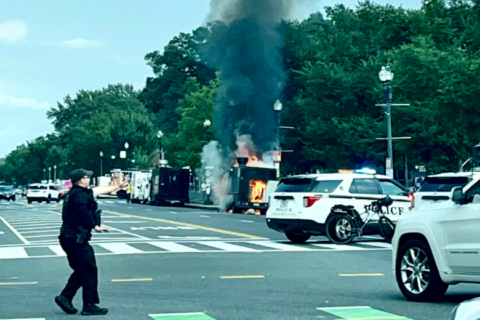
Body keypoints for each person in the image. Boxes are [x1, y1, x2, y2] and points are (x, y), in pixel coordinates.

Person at [55, 169, 127, 316]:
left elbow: (98, 190)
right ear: (82, 180)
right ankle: (89, 305)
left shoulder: (76, 193)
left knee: (82, 270)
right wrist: (95, 226)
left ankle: (65, 297)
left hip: (69, 238)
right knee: (89, 269)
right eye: (87, 177)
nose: (89, 179)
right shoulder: (80, 196)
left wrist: (117, 186)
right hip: (76, 239)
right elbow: (83, 212)